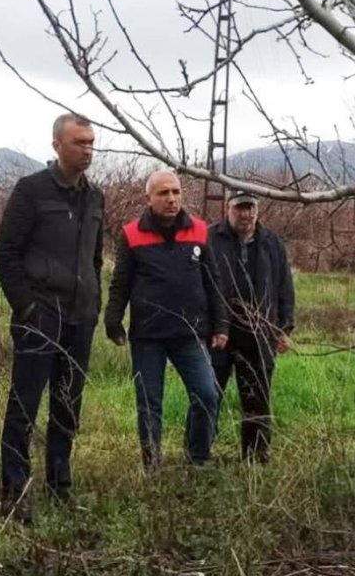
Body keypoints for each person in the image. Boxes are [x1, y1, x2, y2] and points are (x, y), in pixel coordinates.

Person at [0, 114, 104, 521]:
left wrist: (95, 301)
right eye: (79, 142)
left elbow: (94, 258)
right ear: (57, 144)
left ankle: (60, 486)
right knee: (25, 404)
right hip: (40, 316)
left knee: (67, 406)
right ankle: (15, 492)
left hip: (80, 317)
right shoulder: (31, 191)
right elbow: (6, 254)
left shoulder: (95, 197)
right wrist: (26, 307)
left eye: (92, 143)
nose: (88, 150)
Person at [105, 171, 228, 469]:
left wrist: (221, 325)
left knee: (207, 395)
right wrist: (113, 320)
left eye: (175, 192)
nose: (171, 198)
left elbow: (214, 281)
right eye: (163, 193)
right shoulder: (132, 234)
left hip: (190, 333)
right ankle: (152, 464)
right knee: (149, 404)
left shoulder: (199, 231)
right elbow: (120, 283)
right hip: (148, 336)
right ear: (148, 198)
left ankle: (197, 457)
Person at [208, 191, 295, 462]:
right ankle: (199, 453)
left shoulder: (272, 243)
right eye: (240, 207)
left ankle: (255, 457)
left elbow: (284, 287)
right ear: (228, 208)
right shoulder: (211, 239)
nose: (246, 214)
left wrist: (283, 328)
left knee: (257, 397)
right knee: (208, 394)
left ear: (258, 209)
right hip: (218, 332)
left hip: (260, 334)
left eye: (251, 207)